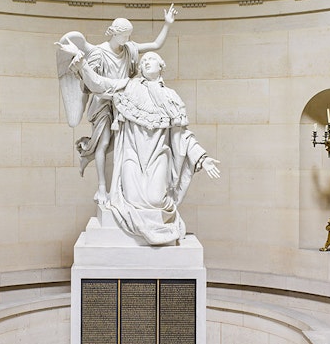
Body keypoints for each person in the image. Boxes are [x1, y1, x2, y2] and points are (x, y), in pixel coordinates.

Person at [56, 47, 220, 245]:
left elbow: (182, 136)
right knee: (132, 199)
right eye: (143, 61)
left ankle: (157, 230)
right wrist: (82, 64)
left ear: (161, 67)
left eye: (151, 59)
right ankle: (144, 231)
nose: (146, 62)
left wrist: (202, 157)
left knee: (155, 201)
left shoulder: (171, 97)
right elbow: (100, 85)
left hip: (158, 155)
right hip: (131, 155)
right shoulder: (128, 87)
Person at [56, 6, 177, 205]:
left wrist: (167, 24)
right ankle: (102, 188)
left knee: (126, 143)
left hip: (125, 101)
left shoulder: (129, 49)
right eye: (124, 36)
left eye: (129, 36)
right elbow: (90, 82)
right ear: (114, 33)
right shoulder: (98, 53)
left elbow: (156, 44)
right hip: (103, 101)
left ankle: (120, 188)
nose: (128, 40)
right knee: (104, 142)